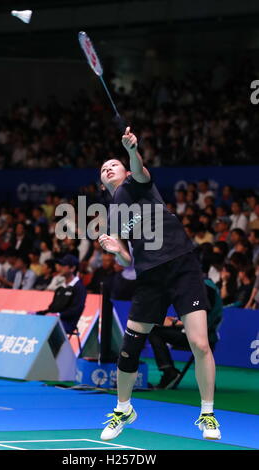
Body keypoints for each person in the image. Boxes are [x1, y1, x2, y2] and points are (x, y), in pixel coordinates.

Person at [98, 127, 221, 441]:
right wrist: (118, 252)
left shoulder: (136, 183)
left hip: (182, 266)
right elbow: (128, 260)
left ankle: (207, 414)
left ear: (125, 171)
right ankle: (123, 408)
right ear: (102, 182)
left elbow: (139, 167)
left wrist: (131, 150)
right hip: (150, 277)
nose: (108, 168)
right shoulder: (112, 214)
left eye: (114, 164)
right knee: (129, 349)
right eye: (103, 169)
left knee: (200, 343)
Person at [148, 278, 223, 389]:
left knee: (155, 332)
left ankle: (169, 372)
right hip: (194, 332)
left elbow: (202, 319)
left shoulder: (204, 288)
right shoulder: (199, 285)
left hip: (203, 337)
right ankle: (169, 371)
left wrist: (175, 323)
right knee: (155, 329)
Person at [36, 255, 87, 335]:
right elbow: (52, 308)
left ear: (72, 268)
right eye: (60, 265)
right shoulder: (60, 288)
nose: (60, 267)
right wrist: (39, 313)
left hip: (66, 323)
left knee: (43, 326)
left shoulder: (79, 288)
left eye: (63, 265)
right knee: (34, 320)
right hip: (53, 319)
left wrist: (58, 315)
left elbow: (76, 309)